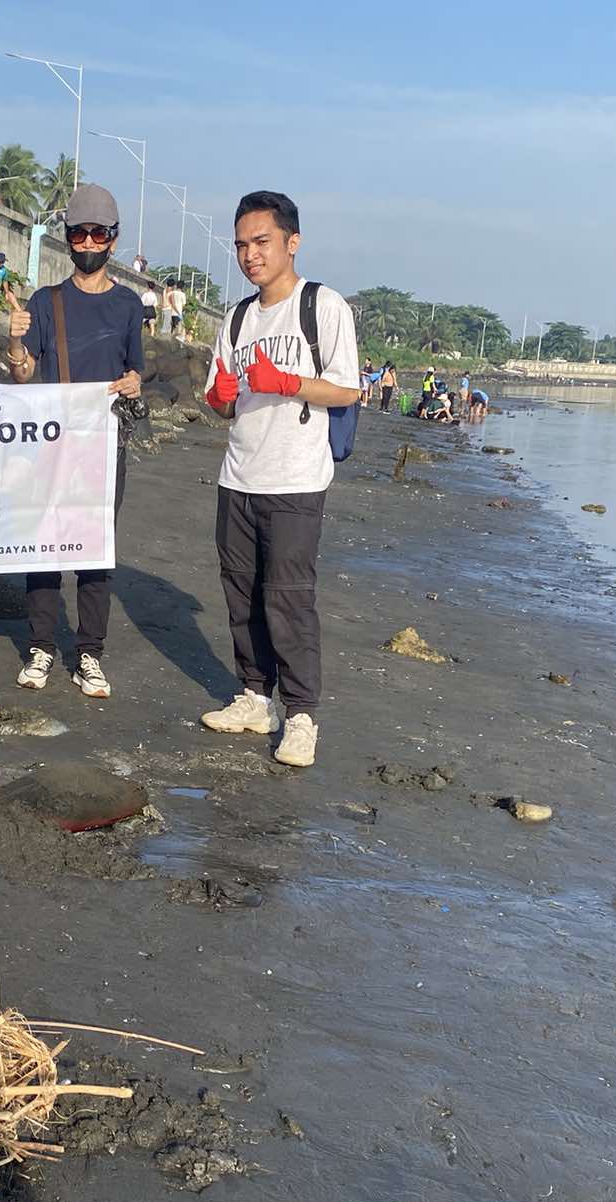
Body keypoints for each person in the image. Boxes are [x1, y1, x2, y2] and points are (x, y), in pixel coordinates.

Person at [198, 190, 359, 768]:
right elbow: (225, 401)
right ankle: (253, 696)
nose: (249, 255)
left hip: (295, 479)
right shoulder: (237, 317)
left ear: (292, 243)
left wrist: (289, 382)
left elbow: (348, 389)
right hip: (238, 473)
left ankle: (302, 716)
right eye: (241, 244)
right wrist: (218, 399)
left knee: (288, 597)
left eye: (261, 242)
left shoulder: (324, 306)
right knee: (240, 591)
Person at [4, 184, 143, 699]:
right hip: (50, 444)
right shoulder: (46, 302)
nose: (88, 243)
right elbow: (23, 377)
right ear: (67, 240)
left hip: (105, 449)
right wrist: (16, 339)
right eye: (79, 234)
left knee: (94, 549)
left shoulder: (129, 306)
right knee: (44, 544)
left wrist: (133, 382)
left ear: (113, 239)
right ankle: (40, 646)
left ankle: (90, 654)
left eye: (98, 234)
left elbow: (135, 372)